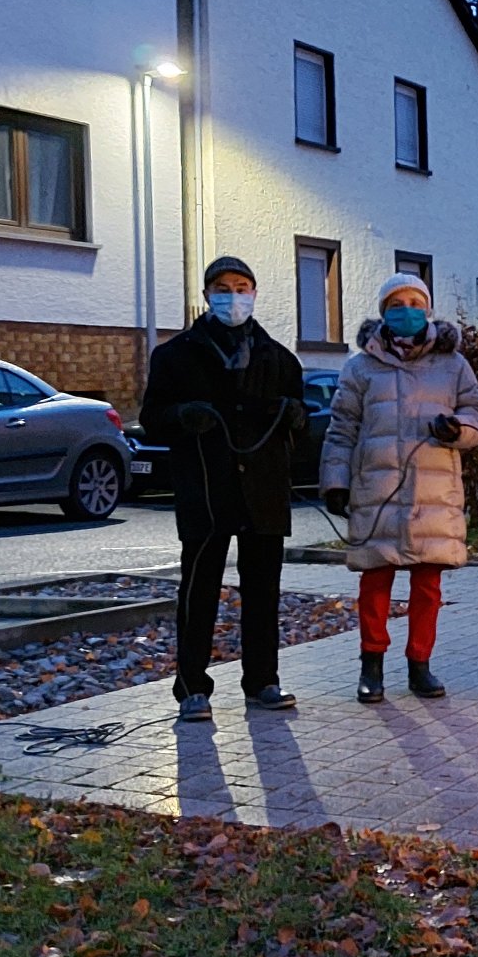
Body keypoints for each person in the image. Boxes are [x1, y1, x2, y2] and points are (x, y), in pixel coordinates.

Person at [139, 256, 306, 722]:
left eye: (242, 286)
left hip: (264, 493)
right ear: (207, 293)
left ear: (254, 292)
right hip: (207, 490)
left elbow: (300, 425)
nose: (233, 295)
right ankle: (192, 687)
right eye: (223, 287)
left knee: (263, 593)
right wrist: (180, 416)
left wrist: (295, 415)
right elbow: (152, 418)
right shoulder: (175, 356)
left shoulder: (279, 358)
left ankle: (263, 681)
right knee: (198, 593)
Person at [320, 272, 478, 703]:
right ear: (384, 312)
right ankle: (371, 667)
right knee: (375, 583)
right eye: (397, 304)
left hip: (432, 493)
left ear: (428, 309)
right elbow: (341, 429)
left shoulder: (453, 365)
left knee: (427, 586)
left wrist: (457, 429)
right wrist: (335, 483)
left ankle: (420, 666)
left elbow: (477, 416)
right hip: (376, 492)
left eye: (416, 302)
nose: (407, 310)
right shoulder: (360, 367)